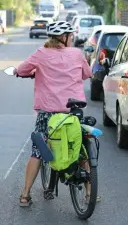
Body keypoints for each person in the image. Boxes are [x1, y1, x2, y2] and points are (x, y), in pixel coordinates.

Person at [17, 21, 92, 206]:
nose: (73, 38)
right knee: (80, 148)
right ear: (64, 37)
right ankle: (91, 194)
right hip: (72, 112)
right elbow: (87, 73)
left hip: (48, 113)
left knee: (38, 151)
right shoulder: (76, 53)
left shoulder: (41, 54)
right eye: (71, 35)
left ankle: (25, 195)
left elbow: (20, 70)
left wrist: (35, 71)